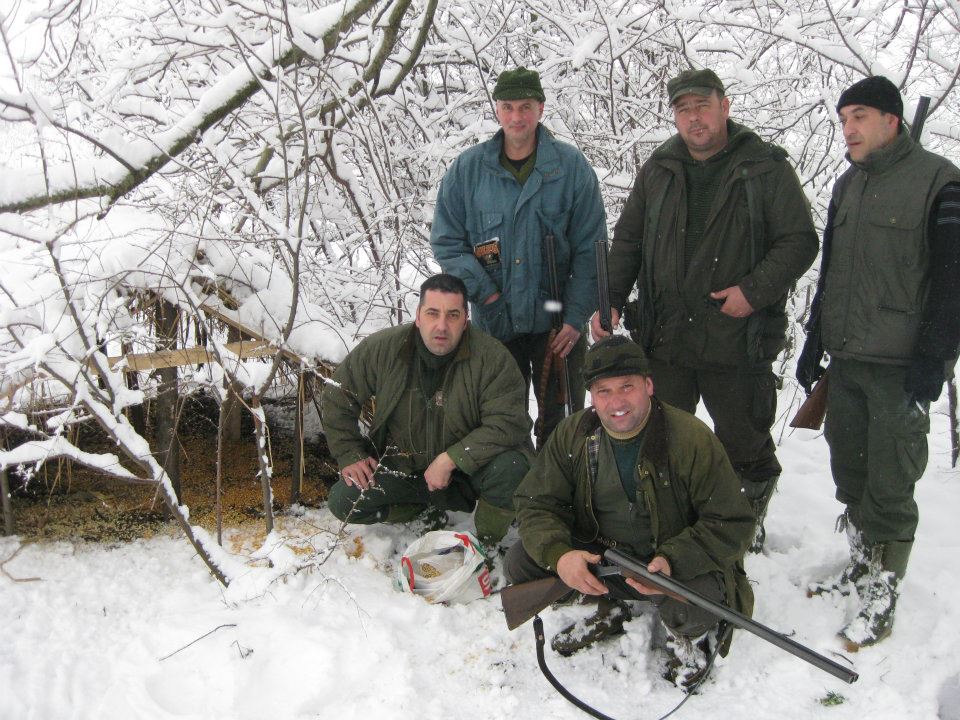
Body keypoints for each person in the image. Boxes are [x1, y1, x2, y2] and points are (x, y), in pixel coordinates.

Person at [590, 68, 818, 551]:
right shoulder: (659, 170)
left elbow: (799, 240)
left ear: (724, 106)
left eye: (702, 106)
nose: (693, 118)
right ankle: (678, 525)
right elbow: (628, 239)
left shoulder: (764, 167)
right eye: (683, 109)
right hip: (667, 336)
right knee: (665, 440)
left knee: (744, 443)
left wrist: (753, 291)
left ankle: (742, 525)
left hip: (736, 335)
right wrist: (608, 298)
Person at [797, 76, 960, 650]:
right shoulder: (848, 184)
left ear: (892, 119)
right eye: (843, 120)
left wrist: (935, 357)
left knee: (891, 486)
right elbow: (833, 271)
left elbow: (953, 280)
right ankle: (864, 565)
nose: (849, 130)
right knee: (853, 475)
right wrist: (816, 338)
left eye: (859, 117)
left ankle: (882, 594)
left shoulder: (941, 182)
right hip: (848, 361)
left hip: (900, 367)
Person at [504, 336, 754, 688]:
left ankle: (690, 638)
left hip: (662, 567)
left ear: (648, 385)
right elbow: (536, 503)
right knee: (520, 562)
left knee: (696, 605)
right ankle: (605, 605)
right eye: (603, 391)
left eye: (627, 387)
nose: (616, 402)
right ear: (591, 395)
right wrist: (561, 556)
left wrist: (673, 560)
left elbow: (732, 523)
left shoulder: (691, 439)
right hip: (602, 557)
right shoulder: (572, 434)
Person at [430, 67, 607, 447]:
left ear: (541, 109)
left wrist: (575, 318)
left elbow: (591, 250)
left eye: (525, 107)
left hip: (558, 326)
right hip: (495, 324)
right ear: (496, 110)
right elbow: (448, 243)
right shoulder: (469, 170)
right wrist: (487, 295)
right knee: (498, 420)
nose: (516, 117)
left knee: (563, 427)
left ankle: (561, 495)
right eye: (507, 107)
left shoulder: (571, 168)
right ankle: (509, 496)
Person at [321, 273, 533, 547]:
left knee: (513, 467)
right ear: (419, 316)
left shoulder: (492, 358)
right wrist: (349, 451)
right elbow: (338, 392)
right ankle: (421, 513)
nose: (441, 325)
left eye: (453, 315)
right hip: (403, 470)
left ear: (465, 320)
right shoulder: (384, 348)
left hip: (468, 475)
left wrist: (451, 459)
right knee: (345, 501)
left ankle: (484, 544)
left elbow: (509, 423)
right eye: (433, 313)